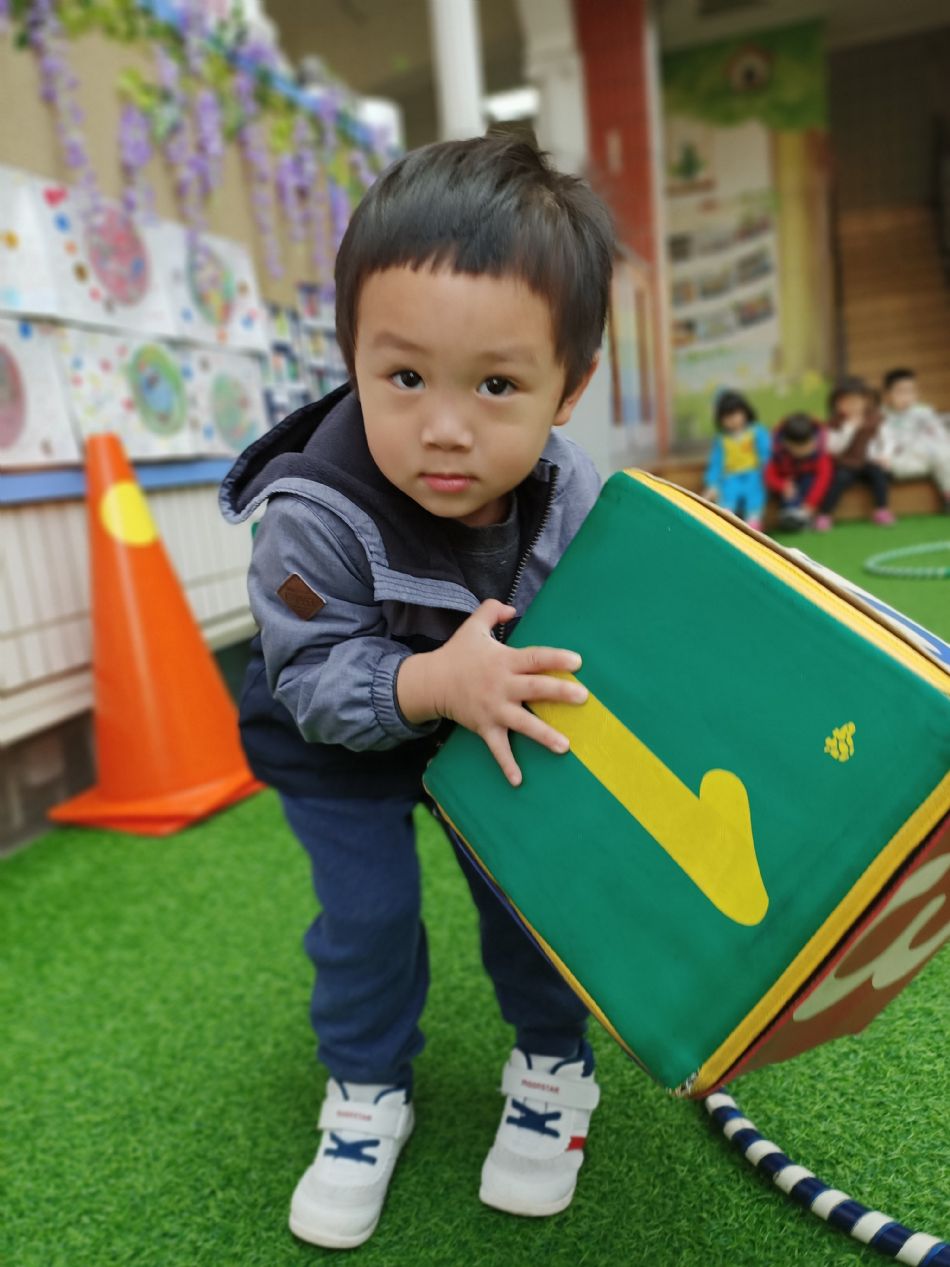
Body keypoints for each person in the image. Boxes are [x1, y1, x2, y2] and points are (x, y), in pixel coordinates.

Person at [220, 135, 614, 1250]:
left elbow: (604, 623)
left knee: (532, 897)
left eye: (496, 385)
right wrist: (430, 680)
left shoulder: (571, 491)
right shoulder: (311, 512)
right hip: (336, 739)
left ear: (568, 388)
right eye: (404, 378)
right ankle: (365, 1087)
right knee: (369, 917)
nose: (444, 427)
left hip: (490, 722)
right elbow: (311, 676)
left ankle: (552, 1064)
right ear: (353, 356)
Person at [814, 377, 894, 531]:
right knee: (839, 480)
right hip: (847, 464)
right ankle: (824, 514)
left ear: (865, 401)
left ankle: (882, 509)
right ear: (837, 404)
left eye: (856, 402)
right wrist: (849, 429)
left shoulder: (875, 417)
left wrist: (885, 455)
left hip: (869, 462)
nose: (852, 406)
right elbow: (833, 448)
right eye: (847, 402)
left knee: (879, 476)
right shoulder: (835, 422)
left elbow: (887, 439)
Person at [877, 368, 950, 512]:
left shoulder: (923, 412)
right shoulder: (880, 414)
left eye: (911, 391)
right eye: (900, 391)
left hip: (925, 458)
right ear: (887, 394)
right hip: (897, 463)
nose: (907, 396)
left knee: (944, 452)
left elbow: (940, 436)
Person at [702, 389, 770, 530]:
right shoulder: (722, 440)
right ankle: (727, 519)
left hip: (753, 474)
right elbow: (716, 464)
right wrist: (712, 484)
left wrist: (768, 471)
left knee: (754, 495)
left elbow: (766, 453)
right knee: (728, 495)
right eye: (727, 417)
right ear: (720, 420)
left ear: (745, 412)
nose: (732, 420)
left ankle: (753, 520)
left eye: (736, 414)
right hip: (730, 476)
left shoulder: (757, 432)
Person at [764, 412, 833, 532]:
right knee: (790, 484)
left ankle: (804, 517)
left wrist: (810, 504)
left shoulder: (819, 455)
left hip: (810, 494)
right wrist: (782, 485)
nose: (805, 451)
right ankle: (791, 515)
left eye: (809, 445)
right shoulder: (778, 454)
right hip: (789, 489)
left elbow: (823, 480)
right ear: (786, 444)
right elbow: (769, 475)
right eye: (800, 448)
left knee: (808, 479)